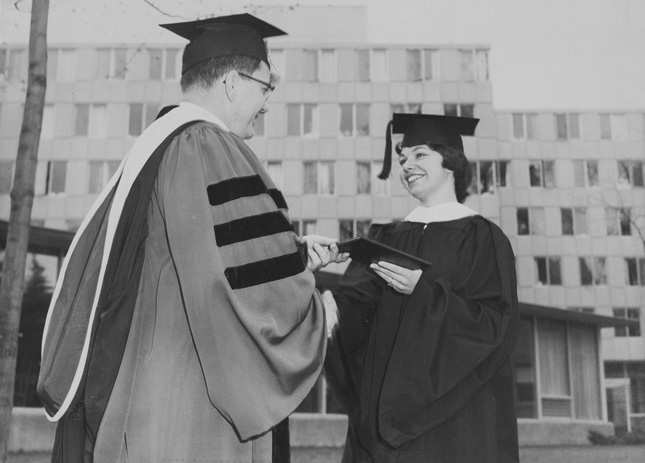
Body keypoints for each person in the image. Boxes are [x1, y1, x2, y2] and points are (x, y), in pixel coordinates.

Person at [37, 13, 346, 463]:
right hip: (194, 402)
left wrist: (294, 254)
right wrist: (319, 312)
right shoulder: (206, 145)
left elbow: (204, 251)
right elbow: (239, 283)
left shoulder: (158, 145)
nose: (267, 104)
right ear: (232, 84)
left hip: (144, 393)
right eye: (266, 87)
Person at [323, 113, 520, 462]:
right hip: (382, 429)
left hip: (452, 425)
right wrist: (329, 312)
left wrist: (425, 291)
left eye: (419, 155)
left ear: (451, 163)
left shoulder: (483, 239)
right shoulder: (383, 238)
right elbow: (354, 314)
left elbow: (495, 326)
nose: (406, 165)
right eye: (402, 158)